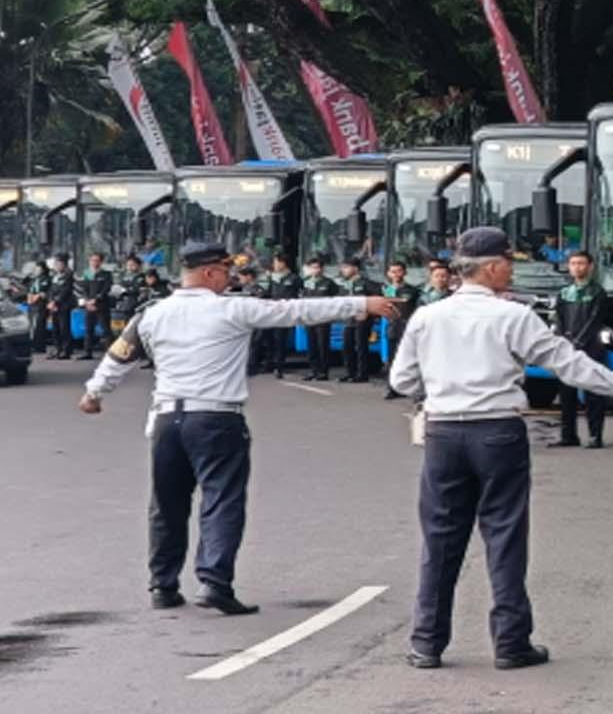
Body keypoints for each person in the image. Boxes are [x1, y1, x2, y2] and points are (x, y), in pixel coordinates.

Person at [390, 226, 613, 670]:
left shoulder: (428, 317)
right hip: (498, 432)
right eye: (509, 263)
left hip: (443, 433)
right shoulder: (512, 317)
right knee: (504, 536)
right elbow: (568, 362)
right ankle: (511, 643)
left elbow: (401, 380)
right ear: (493, 267)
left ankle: (426, 643)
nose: (511, 271)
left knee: (440, 540)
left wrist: (441, 385)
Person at [79, 241, 397, 614]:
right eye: (226, 271)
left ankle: (162, 585)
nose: (230, 277)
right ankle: (214, 582)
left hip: (166, 420)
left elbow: (120, 355)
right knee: (221, 499)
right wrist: (362, 304)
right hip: (216, 418)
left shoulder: (152, 313)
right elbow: (296, 311)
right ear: (210, 272)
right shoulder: (232, 308)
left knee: (166, 504)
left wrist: (94, 393)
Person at [551, 250, 613, 447]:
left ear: (590, 267)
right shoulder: (564, 293)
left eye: (581, 263)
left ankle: (595, 435)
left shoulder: (598, 293)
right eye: (573, 263)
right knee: (566, 394)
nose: (577, 267)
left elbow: (595, 320)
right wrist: (564, 341)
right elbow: (558, 320)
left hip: (591, 347)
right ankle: (568, 435)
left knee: (594, 393)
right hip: (567, 348)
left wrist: (579, 342)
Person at [338, 257, 383, 383]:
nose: (343, 270)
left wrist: (369, 313)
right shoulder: (344, 284)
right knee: (347, 346)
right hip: (348, 320)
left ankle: (362, 374)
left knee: (362, 347)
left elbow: (376, 299)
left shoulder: (367, 283)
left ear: (355, 269)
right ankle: (350, 372)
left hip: (363, 320)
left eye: (346, 267)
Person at [379, 260, 418, 401]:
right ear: (388, 274)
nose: (396, 274)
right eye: (393, 271)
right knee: (391, 359)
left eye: (399, 271)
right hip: (392, 327)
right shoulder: (385, 289)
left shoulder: (413, 291)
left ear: (405, 272)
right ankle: (391, 388)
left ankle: (408, 388)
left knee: (408, 359)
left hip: (407, 328)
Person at [298, 256, 338, 381]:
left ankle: (323, 372)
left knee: (323, 345)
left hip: (323, 318)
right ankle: (313, 370)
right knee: (311, 345)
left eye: (317, 267)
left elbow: (335, 299)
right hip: (309, 318)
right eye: (312, 268)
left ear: (322, 269)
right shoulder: (305, 282)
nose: (315, 270)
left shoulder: (329, 283)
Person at [80, 251, 116, 356]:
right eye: (92, 260)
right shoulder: (87, 274)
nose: (94, 263)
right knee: (88, 329)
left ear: (101, 262)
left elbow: (106, 289)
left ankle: (111, 352)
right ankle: (87, 352)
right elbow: (84, 289)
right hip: (89, 305)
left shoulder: (106, 274)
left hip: (102, 305)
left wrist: (96, 299)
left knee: (106, 329)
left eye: (97, 261)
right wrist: (87, 301)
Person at [45, 252, 79, 360]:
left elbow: (66, 291)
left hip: (64, 305)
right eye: (55, 263)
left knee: (64, 328)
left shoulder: (69, 275)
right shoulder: (54, 276)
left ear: (64, 264)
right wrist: (50, 301)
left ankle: (66, 350)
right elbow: (51, 290)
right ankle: (57, 348)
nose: (56, 265)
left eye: (58, 263)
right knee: (55, 329)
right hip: (54, 306)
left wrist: (55, 301)